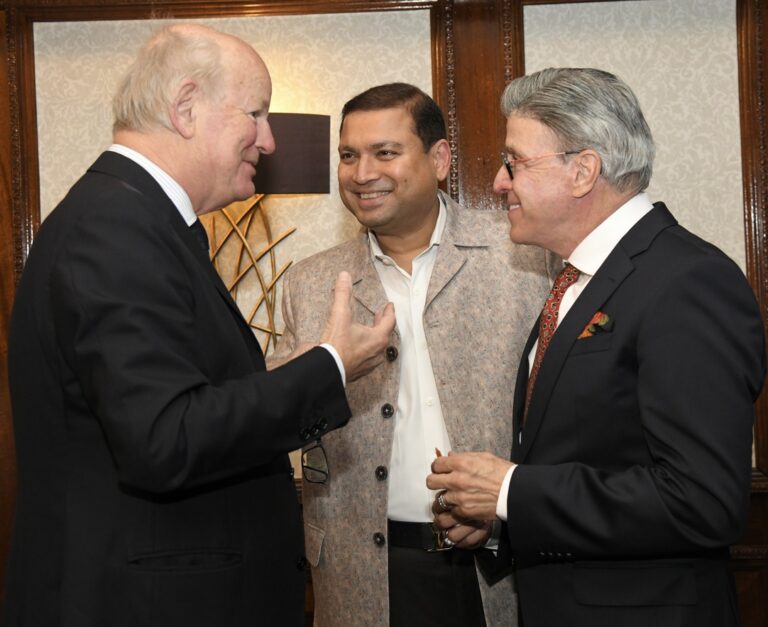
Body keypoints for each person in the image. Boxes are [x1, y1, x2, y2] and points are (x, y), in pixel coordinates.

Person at [4, 24, 395, 627]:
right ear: (186, 106)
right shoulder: (116, 229)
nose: (268, 140)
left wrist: (276, 372)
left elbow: (167, 397)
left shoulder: (136, 218)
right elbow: (164, 439)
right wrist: (331, 366)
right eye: (258, 113)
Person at [427, 67, 766, 627]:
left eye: (515, 161)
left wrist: (512, 490)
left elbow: (701, 501)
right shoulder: (578, 281)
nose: (498, 182)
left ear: (583, 170)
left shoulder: (685, 281)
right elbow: (592, 455)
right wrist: (501, 518)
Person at [269, 83, 551, 626]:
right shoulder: (310, 283)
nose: (361, 172)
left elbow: (565, 414)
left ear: (440, 159)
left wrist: (506, 515)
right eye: (348, 155)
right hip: (359, 572)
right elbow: (279, 420)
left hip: (501, 567)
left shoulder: (523, 259)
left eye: (385, 152)